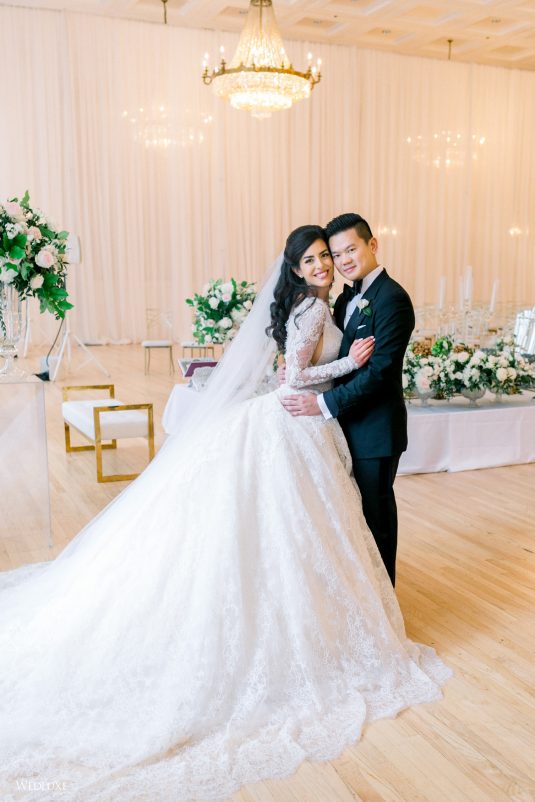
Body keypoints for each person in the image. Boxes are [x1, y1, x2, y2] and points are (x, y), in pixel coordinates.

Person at [0, 225, 449, 802]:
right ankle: (362, 618)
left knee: (339, 523)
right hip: (304, 417)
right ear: (296, 268)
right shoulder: (320, 305)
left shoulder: (364, 299)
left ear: (367, 248)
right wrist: (343, 366)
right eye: (317, 258)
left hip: (340, 424)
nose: (327, 264)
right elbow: (298, 374)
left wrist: (335, 371)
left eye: (334, 254)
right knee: (308, 527)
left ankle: (371, 613)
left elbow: (347, 367)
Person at [281, 214, 415, 585]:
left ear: (372, 245)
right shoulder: (343, 297)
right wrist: (295, 370)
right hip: (341, 426)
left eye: (350, 250)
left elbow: (379, 373)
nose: (343, 260)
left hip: (374, 430)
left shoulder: (393, 299)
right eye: (336, 254)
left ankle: (385, 600)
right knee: (349, 517)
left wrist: (321, 404)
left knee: (376, 518)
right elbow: (327, 355)